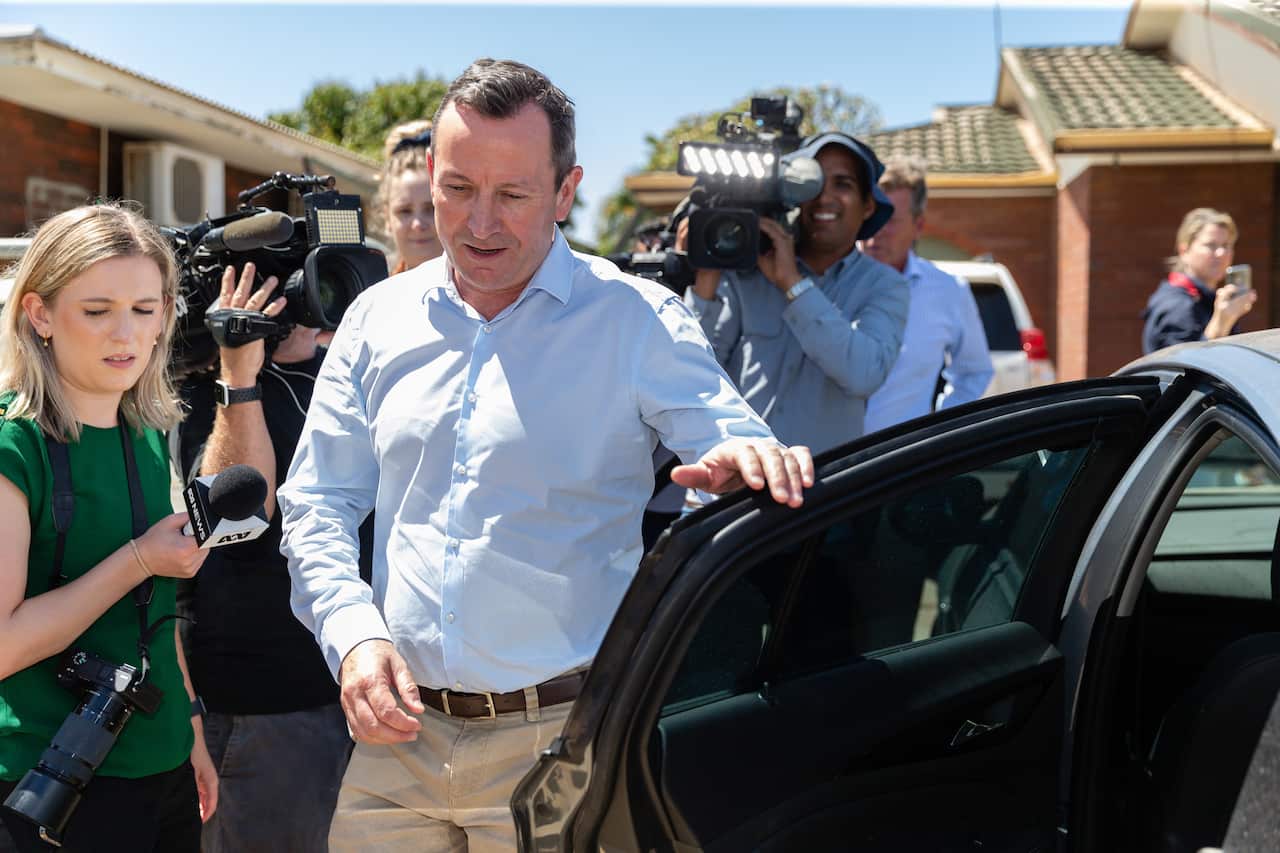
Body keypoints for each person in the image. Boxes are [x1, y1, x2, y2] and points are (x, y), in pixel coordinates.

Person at [278, 58, 813, 851]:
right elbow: (317, 502)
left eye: (513, 194)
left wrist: (745, 466)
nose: (480, 222)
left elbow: (732, 439)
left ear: (566, 191)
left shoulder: (636, 319)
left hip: (564, 748)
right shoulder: (374, 319)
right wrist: (353, 634)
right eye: (458, 188)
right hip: (395, 748)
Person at [0, 204, 213, 852]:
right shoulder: (14, 444)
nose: (126, 333)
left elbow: (156, 611)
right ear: (39, 314)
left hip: (164, 764)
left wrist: (191, 730)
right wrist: (139, 558)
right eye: (97, 310)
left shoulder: (145, 429)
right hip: (45, 782)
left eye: (145, 309)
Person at [171, 262, 370, 851]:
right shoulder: (204, 385)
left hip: (361, 689)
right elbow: (234, 524)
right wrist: (239, 375)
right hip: (265, 709)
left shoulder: (346, 374)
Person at [683, 132, 910, 454]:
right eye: (812, 183)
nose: (824, 197)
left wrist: (792, 284)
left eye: (842, 184)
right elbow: (693, 373)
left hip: (824, 482)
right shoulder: (748, 270)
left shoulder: (885, 285)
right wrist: (706, 275)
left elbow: (864, 373)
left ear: (868, 206)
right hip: (735, 476)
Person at [861, 155, 993, 432]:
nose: (877, 230)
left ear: (918, 226)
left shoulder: (948, 291)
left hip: (904, 456)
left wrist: (939, 432)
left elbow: (974, 371)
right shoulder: (822, 280)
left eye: (890, 220)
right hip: (820, 455)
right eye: (871, 215)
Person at [1142, 207, 1257, 354]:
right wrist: (1221, 323)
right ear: (1184, 251)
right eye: (1211, 245)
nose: (1221, 253)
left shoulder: (1206, 298)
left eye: (1226, 245)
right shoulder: (1177, 305)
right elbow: (1181, 365)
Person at [375, 120, 442, 275]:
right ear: (387, 217)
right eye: (405, 211)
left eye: (431, 209)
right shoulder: (371, 288)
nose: (418, 224)